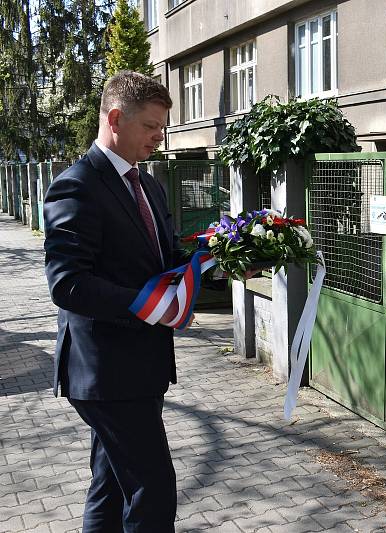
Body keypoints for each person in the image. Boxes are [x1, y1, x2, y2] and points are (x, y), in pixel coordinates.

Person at [44, 71, 185, 532]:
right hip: (107, 373)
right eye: (150, 126)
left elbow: (165, 258)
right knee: (153, 491)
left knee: (109, 487)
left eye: (162, 127)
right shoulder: (77, 185)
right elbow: (68, 284)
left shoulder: (149, 185)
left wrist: (223, 257)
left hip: (141, 368)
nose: (159, 137)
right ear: (116, 118)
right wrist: (145, 304)